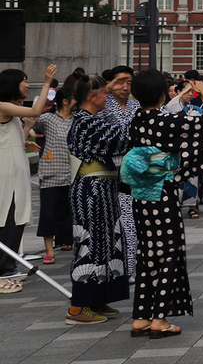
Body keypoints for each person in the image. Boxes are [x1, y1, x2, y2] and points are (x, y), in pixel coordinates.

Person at [125, 70, 203, 338]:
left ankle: (141, 317)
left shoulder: (137, 120)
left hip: (141, 193)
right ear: (160, 93)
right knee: (169, 252)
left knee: (147, 253)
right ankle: (159, 318)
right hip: (162, 192)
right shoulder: (165, 120)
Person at [66, 74, 132, 324]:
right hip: (90, 189)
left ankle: (97, 298)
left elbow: (118, 130)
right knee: (90, 243)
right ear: (91, 97)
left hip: (101, 187)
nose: (107, 97)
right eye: (104, 94)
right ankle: (77, 307)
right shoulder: (84, 122)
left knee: (106, 242)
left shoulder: (90, 118)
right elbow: (122, 136)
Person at [0, 66, 55, 293]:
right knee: (8, 219)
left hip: (16, 169)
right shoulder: (2, 106)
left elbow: (17, 134)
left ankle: (8, 267)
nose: (26, 85)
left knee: (18, 218)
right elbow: (34, 112)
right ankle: (3, 270)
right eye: (24, 81)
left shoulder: (11, 110)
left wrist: (25, 139)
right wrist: (45, 84)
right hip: (6, 173)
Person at [98, 65, 138, 282]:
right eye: (121, 82)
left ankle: (129, 267)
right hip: (108, 171)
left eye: (129, 82)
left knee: (132, 222)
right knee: (114, 224)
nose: (125, 87)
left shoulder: (136, 106)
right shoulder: (102, 107)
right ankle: (116, 269)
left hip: (134, 173)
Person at [31, 77, 73, 265]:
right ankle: (49, 249)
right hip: (51, 174)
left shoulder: (78, 120)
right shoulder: (48, 119)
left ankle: (67, 241)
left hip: (73, 174)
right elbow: (31, 123)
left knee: (70, 212)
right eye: (75, 99)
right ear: (65, 101)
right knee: (49, 213)